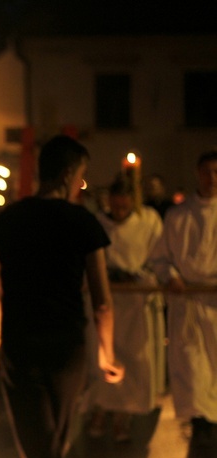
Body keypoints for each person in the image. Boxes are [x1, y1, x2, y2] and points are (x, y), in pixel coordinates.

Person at [0, 135, 124, 458]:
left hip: (19, 343)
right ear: (66, 174)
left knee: (39, 446)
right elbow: (102, 301)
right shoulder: (82, 221)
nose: (82, 184)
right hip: (66, 347)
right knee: (49, 445)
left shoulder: (9, 219)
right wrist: (106, 354)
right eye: (81, 175)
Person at [149, 149, 217, 458]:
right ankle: (201, 436)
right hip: (189, 305)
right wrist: (172, 275)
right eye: (207, 172)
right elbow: (160, 258)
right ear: (197, 174)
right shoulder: (178, 216)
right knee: (193, 370)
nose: (213, 178)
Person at [85, 173, 164, 442]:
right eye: (115, 206)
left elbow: (159, 258)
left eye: (124, 207)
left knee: (132, 357)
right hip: (106, 299)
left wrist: (138, 275)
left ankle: (124, 414)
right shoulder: (98, 223)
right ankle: (100, 409)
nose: (119, 212)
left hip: (135, 302)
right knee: (102, 355)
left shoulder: (149, 221)